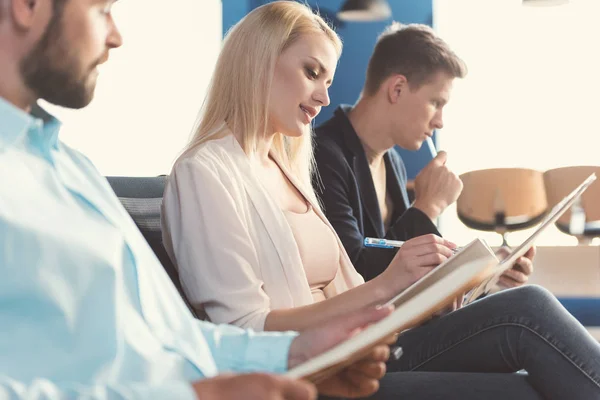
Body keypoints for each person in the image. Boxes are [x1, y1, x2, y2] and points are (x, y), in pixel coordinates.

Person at [161, 2, 600, 399]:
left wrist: (451, 286)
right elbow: (242, 330)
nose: (325, 96)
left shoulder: (284, 166)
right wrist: (391, 282)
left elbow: (353, 285)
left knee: (531, 377)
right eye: (312, 72)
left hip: (364, 346)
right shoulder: (205, 173)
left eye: (328, 80)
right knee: (529, 310)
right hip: (326, 369)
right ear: (258, 61)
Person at [0, 0, 397, 399]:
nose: (117, 37)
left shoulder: (70, 169)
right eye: (101, 9)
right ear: (26, 6)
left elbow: (172, 337)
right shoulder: (203, 172)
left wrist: (292, 354)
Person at [314, 22, 535, 286]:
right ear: (397, 89)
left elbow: (397, 255)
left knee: (524, 299)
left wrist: (484, 269)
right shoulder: (322, 155)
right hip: (366, 324)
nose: (440, 121)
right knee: (532, 302)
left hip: (401, 321)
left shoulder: (391, 160)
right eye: (436, 103)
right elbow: (357, 274)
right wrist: (428, 206)